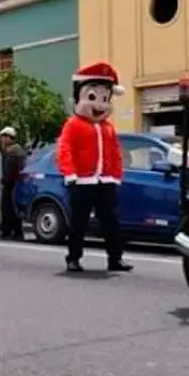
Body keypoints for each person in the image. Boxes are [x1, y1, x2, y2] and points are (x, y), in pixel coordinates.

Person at [57, 62, 132, 273]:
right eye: (93, 97)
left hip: (105, 180)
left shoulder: (108, 127)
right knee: (79, 223)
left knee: (111, 221)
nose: (99, 104)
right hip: (81, 181)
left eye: (105, 98)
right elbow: (65, 150)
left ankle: (115, 258)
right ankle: (73, 258)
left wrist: (116, 175)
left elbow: (116, 153)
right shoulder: (73, 124)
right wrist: (69, 173)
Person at [0, 126, 26, 241]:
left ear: (9, 137)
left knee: (7, 208)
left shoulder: (11, 151)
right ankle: (16, 232)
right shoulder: (18, 149)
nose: (1, 140)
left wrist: (4, 181)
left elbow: (9, 170)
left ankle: (7, 231)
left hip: (11, 184)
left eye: (3, 137)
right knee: (13, 208)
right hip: (17, 183)